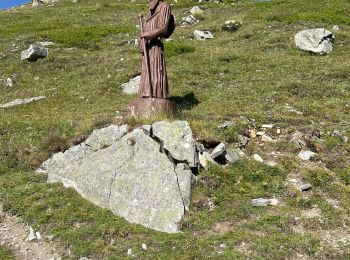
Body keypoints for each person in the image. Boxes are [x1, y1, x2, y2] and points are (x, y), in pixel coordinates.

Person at [138, 0, 174, 99]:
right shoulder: (149, 14)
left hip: (156, 47)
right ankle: (146, 95)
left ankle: (157, 96)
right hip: (148, 48)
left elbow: (163, 29)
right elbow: (144, 32)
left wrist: (146, 34)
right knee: (146, 72)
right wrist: (141, 41)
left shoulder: (164, 7)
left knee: (156, 72)